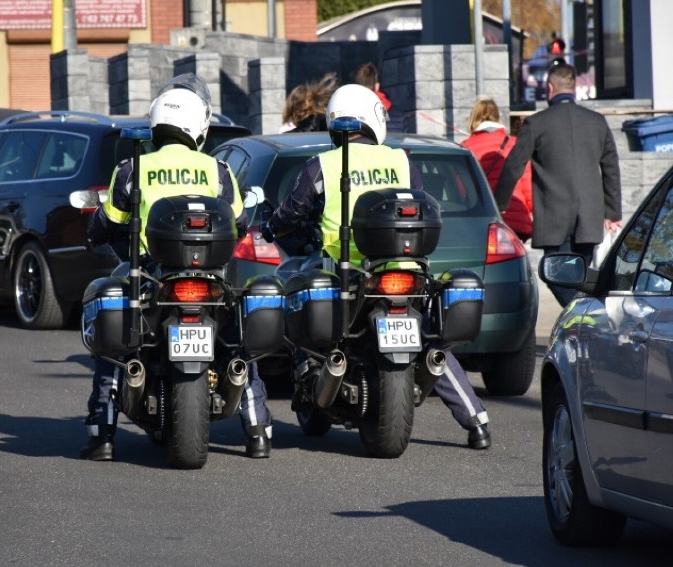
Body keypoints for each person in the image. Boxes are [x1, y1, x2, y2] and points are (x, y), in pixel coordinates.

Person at [262, 83, 491, 450]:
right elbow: (418, 201)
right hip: (406, 267)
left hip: (347, 270)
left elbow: (293, 211)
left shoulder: (322, 163)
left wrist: (271, 226)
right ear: (373, 119)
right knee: (430, 341)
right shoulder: (400, 160)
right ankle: (477, 422)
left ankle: (314, 377)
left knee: (301, 300)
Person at [81, 73, 274, 461]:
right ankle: (258, 433)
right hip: (210, 278)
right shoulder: (217, 170)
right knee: (236, 341)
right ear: (199, 126)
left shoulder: (133, 168)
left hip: (150, 276)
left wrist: (95, 233)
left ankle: (102, 434)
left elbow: (107, 221)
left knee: (114, 348)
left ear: (156, 123)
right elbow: (238, 222)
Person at [494, 62, 623, 307]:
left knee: (554, 274)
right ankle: (585, 314)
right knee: (579, 276)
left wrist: (499, 204)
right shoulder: (596, 122)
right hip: (589, 215)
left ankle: (583, 313)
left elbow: (513, 166)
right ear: (573, 88)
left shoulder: (537, 123)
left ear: (550, 88)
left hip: (554, 215)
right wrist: (613, 212)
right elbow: (610, 167)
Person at [461, 96, 533, 241]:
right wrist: (531, 210)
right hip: (514, 219)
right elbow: (527, 184)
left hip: (482, 218)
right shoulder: (514, 144)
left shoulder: (466, 147)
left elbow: (462, 190)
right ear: (497, 117)